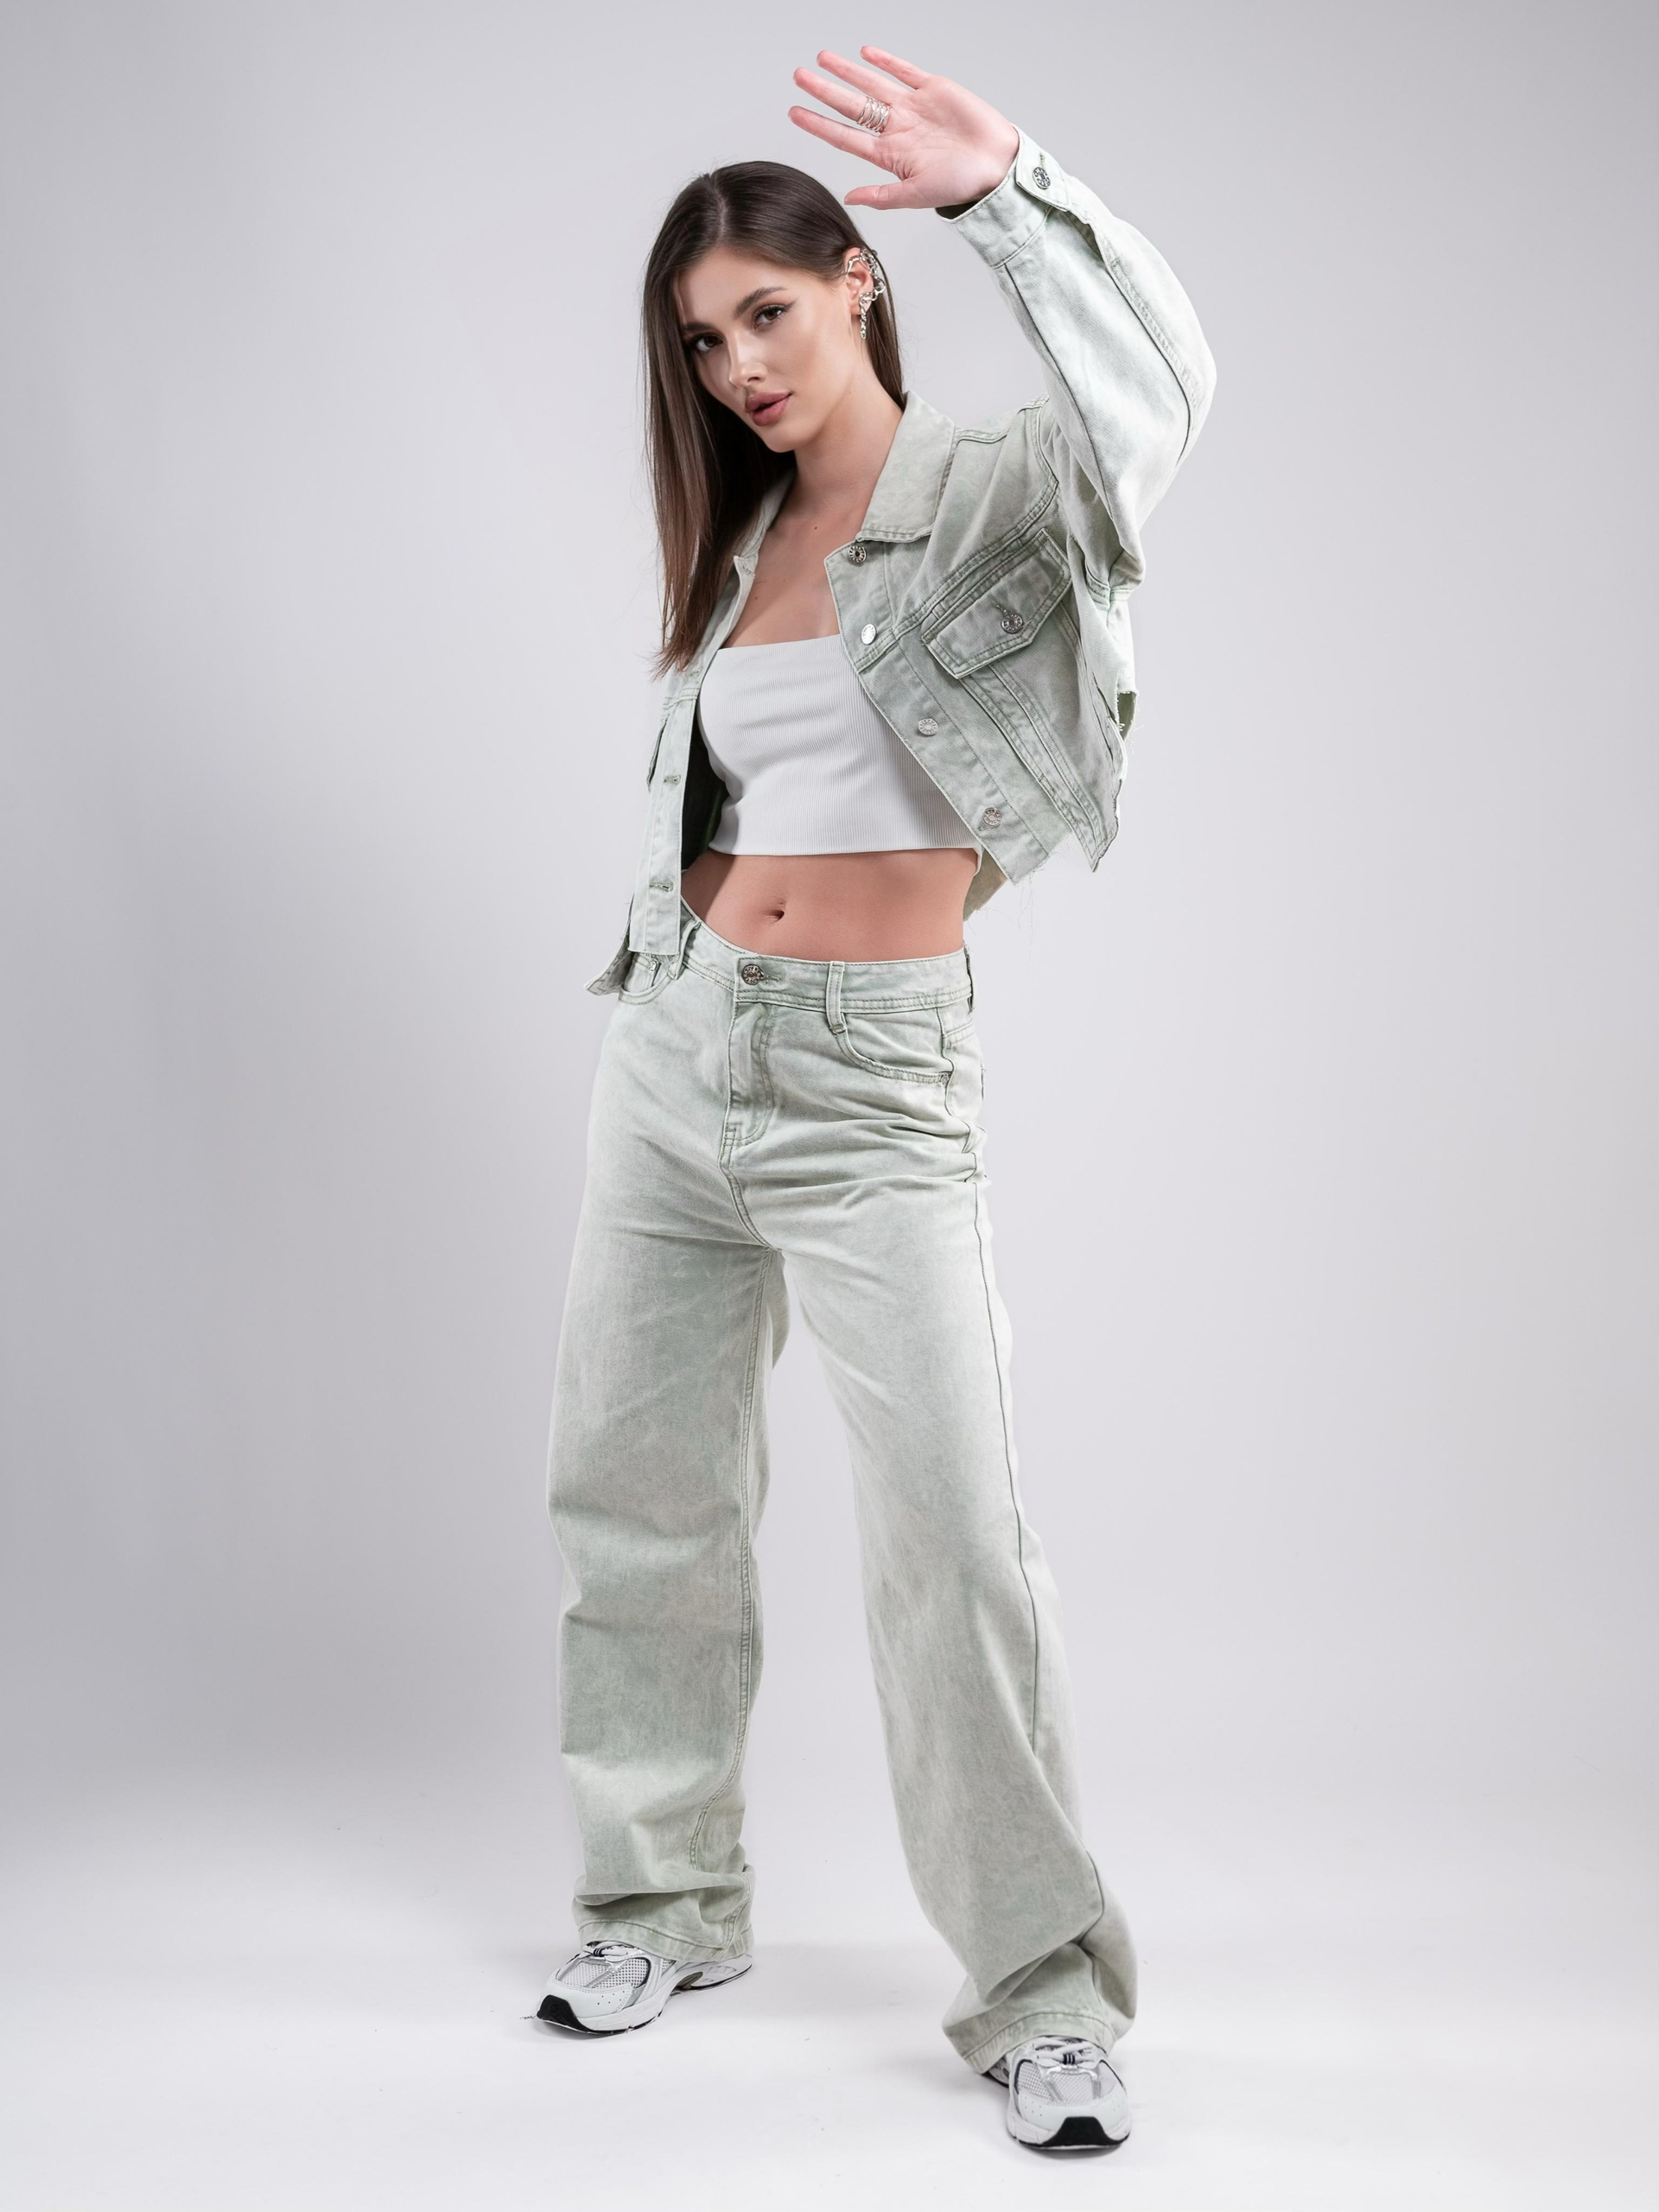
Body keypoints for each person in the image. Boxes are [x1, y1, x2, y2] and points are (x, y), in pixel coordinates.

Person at [536, 46, 1214, 2152]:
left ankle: (1041, 1988)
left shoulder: (1000, 486)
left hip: (872, 1083)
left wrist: (1010, 190)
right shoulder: (739, 540)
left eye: (768, 310)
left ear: (856, 279)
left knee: (954, 1544)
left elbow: (1162, 397)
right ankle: (660, 1896)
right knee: (636, 1494)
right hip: (676, 1045)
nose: (740, 365)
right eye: (704, 339)